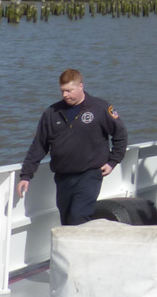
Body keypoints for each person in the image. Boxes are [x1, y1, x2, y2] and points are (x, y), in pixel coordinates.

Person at [17, 68, 127, 225]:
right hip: (63, 177)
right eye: (62, 91)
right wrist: (26, 175)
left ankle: (82, 248)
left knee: (79, 216)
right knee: (67, 220)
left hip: (90, 174)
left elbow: (120, 134)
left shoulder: (100, 108)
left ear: (81, 86)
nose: (65, 95)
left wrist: (113, 161)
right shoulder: (52, 113)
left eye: (69, 90)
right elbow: (39, 145)